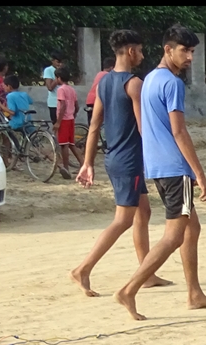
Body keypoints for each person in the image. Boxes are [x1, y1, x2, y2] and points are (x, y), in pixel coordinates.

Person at [112, 24, 206, 321]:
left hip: (158, 167)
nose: (189, 57)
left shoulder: (149, 78)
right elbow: (179, 131)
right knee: (174, 237)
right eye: (184, 51)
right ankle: (129, 290)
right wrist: (200, 174)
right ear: (168, 50)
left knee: (191, 228)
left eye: (192, 51)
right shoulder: (172, 83)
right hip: (175, 168)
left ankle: (194, 293)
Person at [72, 29, 171, 297]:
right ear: (130, 51)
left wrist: (88, 163)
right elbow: (144, 128)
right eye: (140, 50)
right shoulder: (134, 83)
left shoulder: (104, 81)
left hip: (114, 158)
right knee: (123, 220)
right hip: (129, 161)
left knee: (143, 212)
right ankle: (83, 269)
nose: (142, 55)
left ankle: (146, 274)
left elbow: (94, 125)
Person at [53, 66, 83, 180]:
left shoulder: (61, 89)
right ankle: (82, 163)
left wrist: (58, 122)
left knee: (64, 144)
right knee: (71, 144)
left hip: (64, 119)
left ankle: (66, 167)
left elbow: (63, 106)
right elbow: (77, 106)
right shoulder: (71, 89)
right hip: (70, 119)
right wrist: (73, 115)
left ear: (59, 78)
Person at [84, 56, 115, 128]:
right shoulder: (108, 75)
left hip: (90, 100)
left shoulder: (99, 74)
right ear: (112, 68)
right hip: (97, 100)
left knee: (92, 124)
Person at [43, 53, 64, 122]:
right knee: (56, 123)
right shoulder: (48, 70)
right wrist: (57, 76)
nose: (60, 64)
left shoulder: (63, 70)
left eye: (61, 62)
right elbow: (50, 88)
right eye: (58, 62)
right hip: (54, 103)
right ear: (52, 61)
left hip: (63, 102)